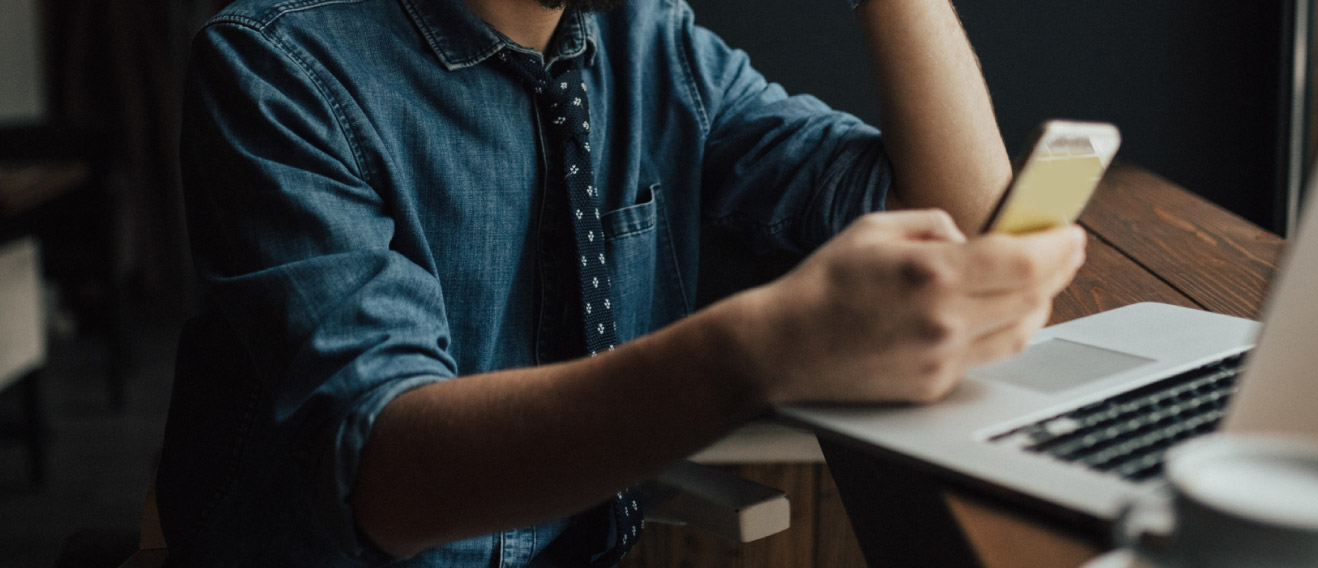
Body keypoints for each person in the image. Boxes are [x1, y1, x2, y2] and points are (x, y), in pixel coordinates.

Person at [157, 0, 1086, 565]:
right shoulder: (278, 67)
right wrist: (762, 351)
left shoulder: (657, 46)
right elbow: (391, 480)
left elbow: (967, 230)